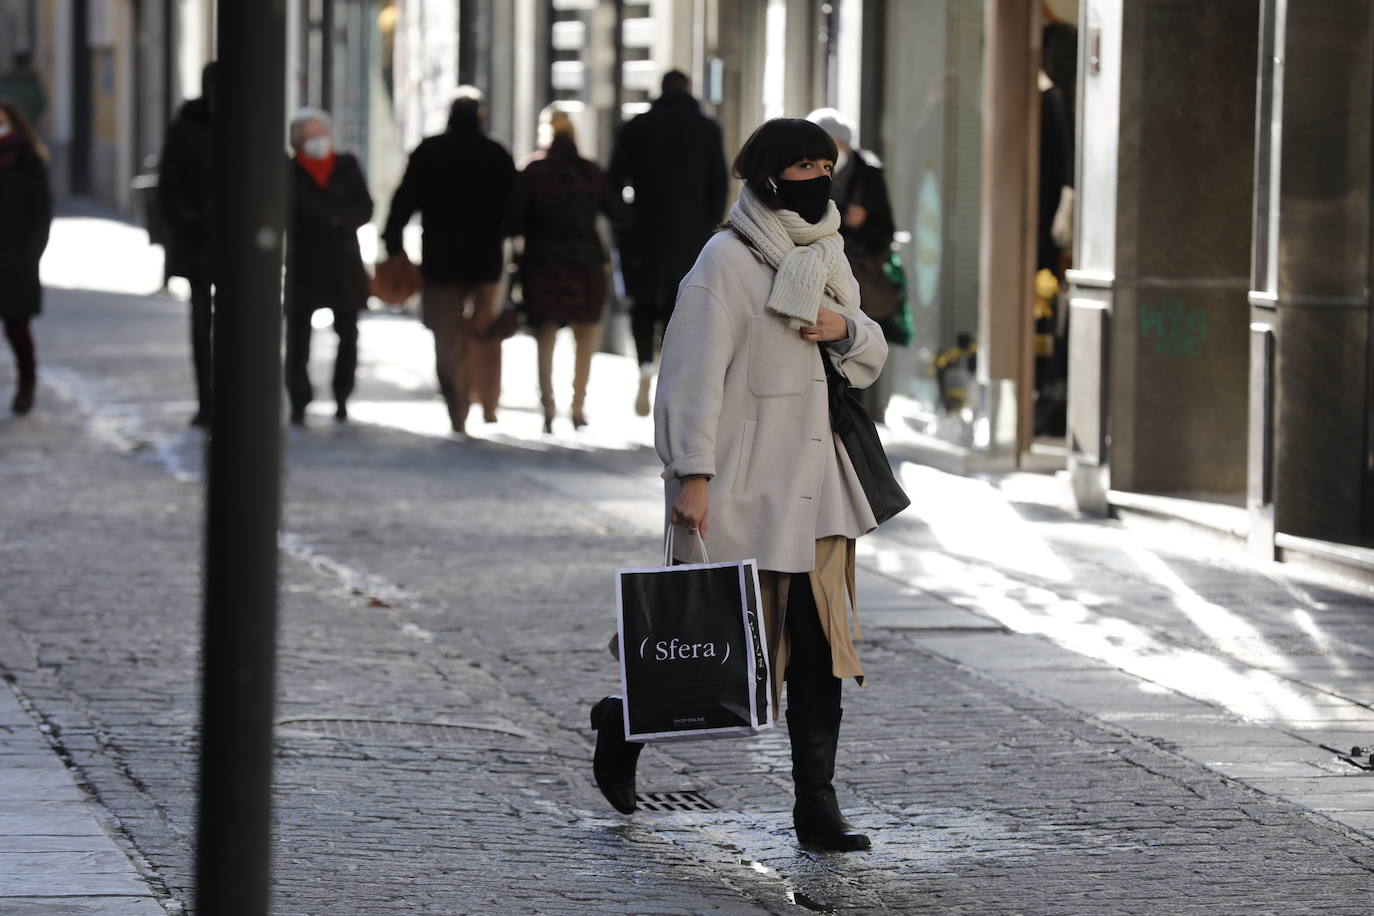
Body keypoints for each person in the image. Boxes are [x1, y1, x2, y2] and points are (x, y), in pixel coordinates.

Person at [590, 119, 888, 852]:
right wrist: (691, 475)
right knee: (718, 649)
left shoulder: (827, 255)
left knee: (821, 653)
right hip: (746, 490)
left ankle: (816, 807)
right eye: (803, 164)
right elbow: (687, 379)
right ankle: (623, 724)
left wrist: (839, 327)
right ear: (765, 177)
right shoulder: (724, 261)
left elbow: (869, 350)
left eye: (826, 163)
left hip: (820, 488)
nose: (818, 176)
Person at [381, 87, 515, 435]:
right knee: (486, 332)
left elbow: (404, 199)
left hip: (441, 261)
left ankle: (458, 409)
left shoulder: (430, 151)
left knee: (446, 339)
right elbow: (515, 207)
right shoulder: (496, 153)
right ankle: (488, 401)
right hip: (486, 260)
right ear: (480, 116)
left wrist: (393, 242)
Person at [607, 70, 727, 417]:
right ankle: (672, 380)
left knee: (643, 304)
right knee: (683, 306)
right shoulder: (707, 129)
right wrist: (711, 228)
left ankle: (645, 363)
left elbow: (613, 181)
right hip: (691, 236)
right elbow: (718, 185)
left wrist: (627, 220)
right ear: (689, 90)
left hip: (644, 231)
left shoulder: (637, 127)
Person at [506, 106, 617, 434]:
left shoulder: (533, 170)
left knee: (545, 338)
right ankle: (578, 405)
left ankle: (548, 407)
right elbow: (617, 212)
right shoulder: (590, 171)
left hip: (543, 264)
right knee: (586, 337)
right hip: (585, 264)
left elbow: (513, 218)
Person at [806, 108, 900, 425]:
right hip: (814, 277)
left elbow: (885, 232)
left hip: (854, 281)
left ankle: (850, 419)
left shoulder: (868, 174)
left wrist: (861, 222)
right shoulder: (802, 170)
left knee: (852, 347)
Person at [284, 108, 374, 426]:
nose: (317, 142)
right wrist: (331, 217)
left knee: (348, 332)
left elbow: (365, 206)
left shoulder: (346, 166)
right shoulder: (289, 171)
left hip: (343, 262)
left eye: (320, 134)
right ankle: (299, 397)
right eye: (310, 137)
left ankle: (342, 395)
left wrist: (338, 219)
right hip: (304, 263)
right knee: (299, 336)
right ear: (297, 142)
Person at [158, 62, 217, 427]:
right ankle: (206, 400)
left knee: (239, 327)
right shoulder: (186, 127)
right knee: (200, 325)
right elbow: (169, 183)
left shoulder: (247, 124)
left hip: (237, 246)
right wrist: (186, 220)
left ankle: (232, 396)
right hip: (198, 242)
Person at [0, 99, 51, 415]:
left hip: (17, 260)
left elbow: (42, 215)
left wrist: (29, 256)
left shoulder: (29, 162)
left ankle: (27, 383)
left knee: (18, 330)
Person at [0, 52, 47, 132]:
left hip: (9, 125)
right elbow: (41, 104)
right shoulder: (33, 83)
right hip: (28, 125)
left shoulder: (5, 82)